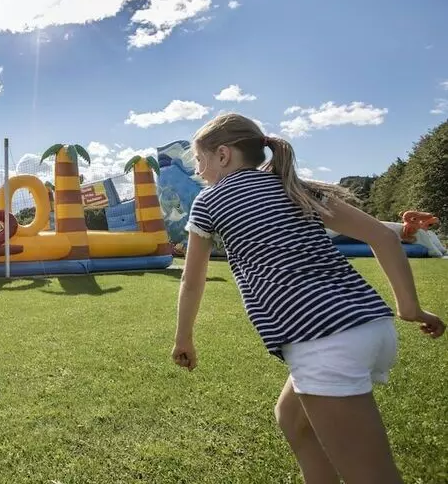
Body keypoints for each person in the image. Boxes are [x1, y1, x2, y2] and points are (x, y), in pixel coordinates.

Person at [171, 113, 445, 484]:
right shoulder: (292, 186)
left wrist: (183, 339)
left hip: (324, 341)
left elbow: (192, 280)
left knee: (373, 476)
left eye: (199, 160)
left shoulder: (209, 201)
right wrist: (410, 308)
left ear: (223, 155)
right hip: (369, 325)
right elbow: (382, 236)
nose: (198, 171)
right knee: (292, 419)